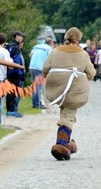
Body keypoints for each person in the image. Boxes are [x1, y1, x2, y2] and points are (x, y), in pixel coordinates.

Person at [42, 27, 96, 160]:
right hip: (75, 89)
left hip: (57, 89)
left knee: (65, 111)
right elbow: (91, 73)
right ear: (79, 39)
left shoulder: (55, 51)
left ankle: (68, 145)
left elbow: (45, 68)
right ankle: (60, 145)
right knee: (69, 112)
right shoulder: (82, 54)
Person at [29, 38, 52, 109]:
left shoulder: (36, 46)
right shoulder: (49, 49)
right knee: (38, 86)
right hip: (39, 68)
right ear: (51, 43)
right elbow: (51, 58)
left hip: (32, 67)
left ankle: (34, 103)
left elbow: (30, 55)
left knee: (34, 86)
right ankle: (38, 104)